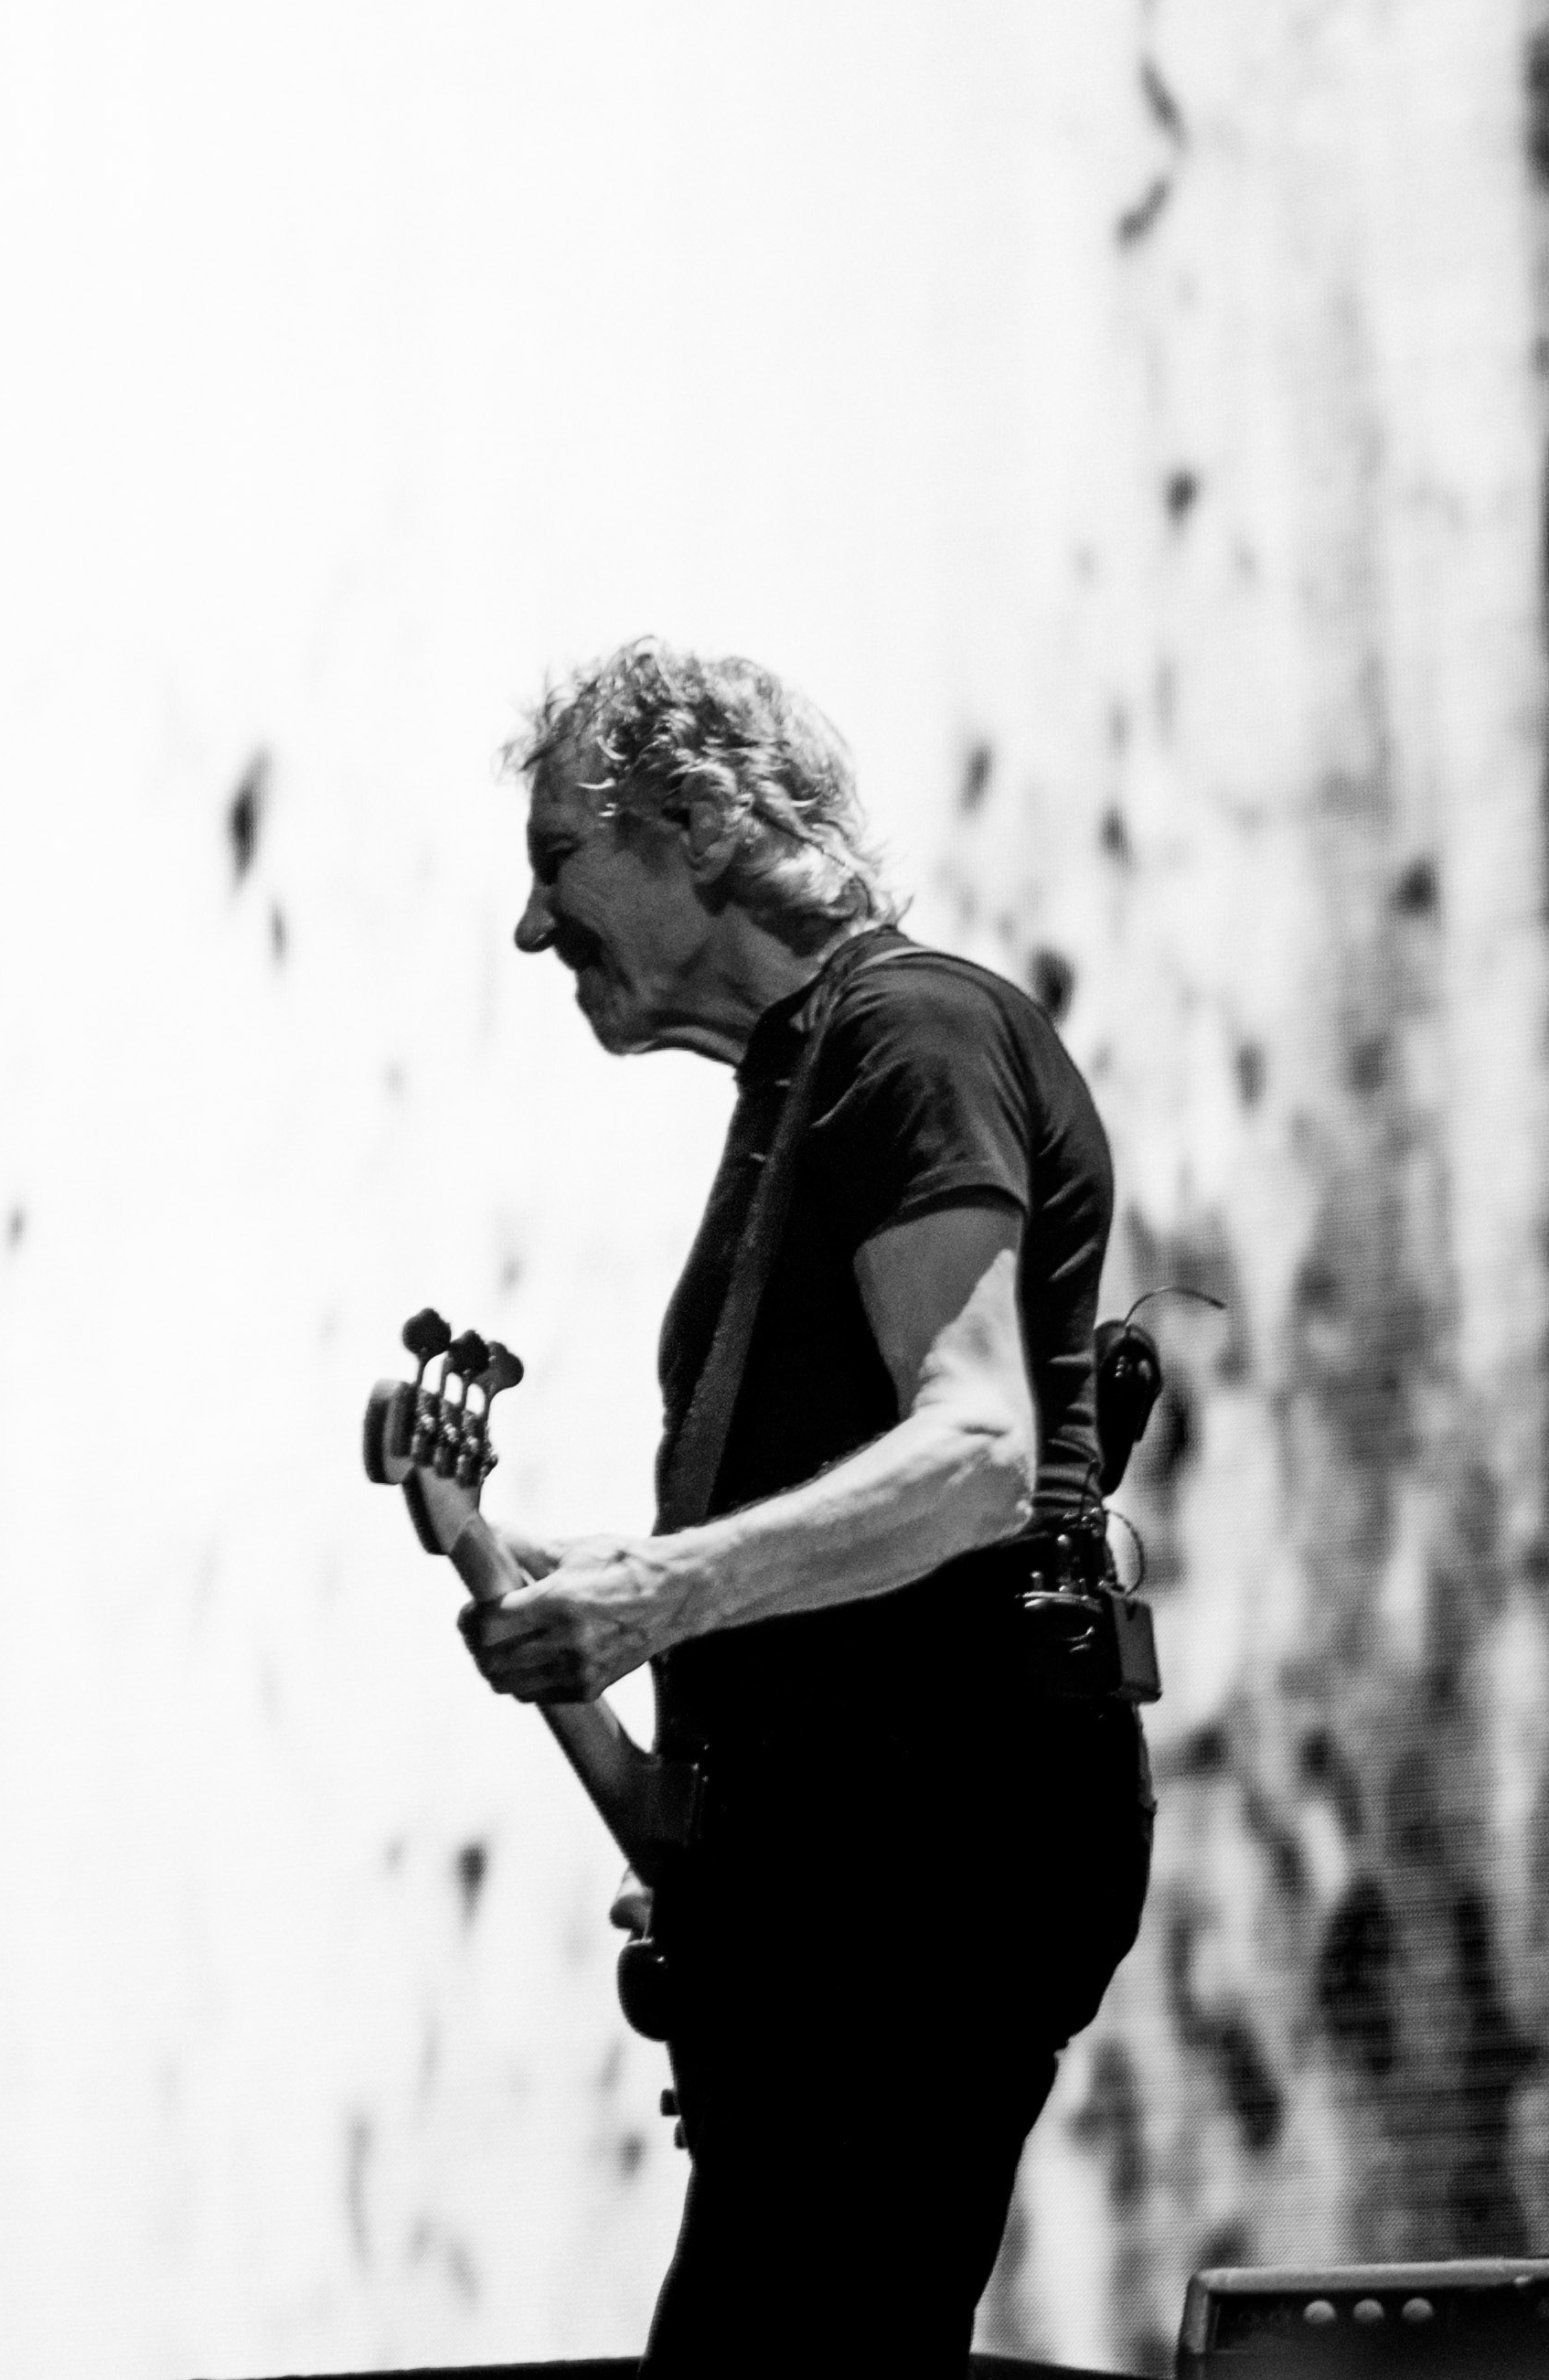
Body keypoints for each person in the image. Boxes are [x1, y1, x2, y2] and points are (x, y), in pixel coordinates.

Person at [458, 640, 1148, 2370]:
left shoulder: (913, 1032)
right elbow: (793, 1575)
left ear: (696, 825)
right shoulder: (811, 1068)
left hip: (927, 1877)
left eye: (557, 859)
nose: (533, 928)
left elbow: (978, 1456)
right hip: (843, 1889)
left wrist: (653, 1594)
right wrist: (549, 1579)